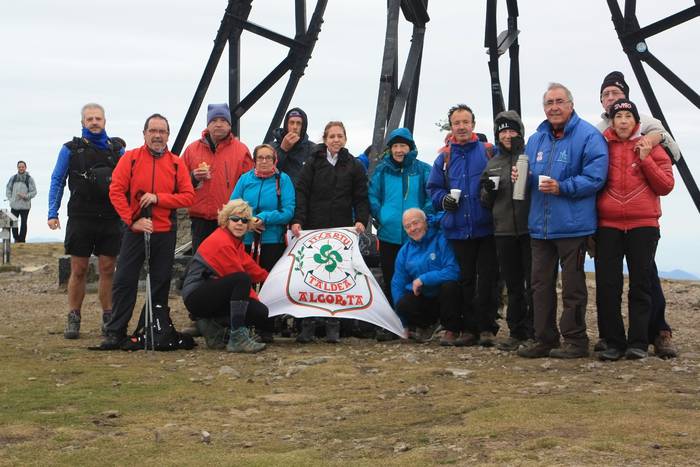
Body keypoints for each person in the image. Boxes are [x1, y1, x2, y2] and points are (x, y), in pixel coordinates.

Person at [515, 83, 608, 359]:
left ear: (571, 104)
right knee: (540, 286)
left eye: (559, 101)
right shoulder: (536, 139)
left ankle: (576, 341)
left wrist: (562, 187)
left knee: (573, 287)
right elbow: (530, 176)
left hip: (574, 227)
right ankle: (544, 338)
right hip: (540, 227)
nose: (554, 107)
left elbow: (595, 177)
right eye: (549, 103)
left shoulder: (589, 136)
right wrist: (521, 178)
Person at [596, 71, 679, 358]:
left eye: (616, 94)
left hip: (643, 223)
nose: (621, 118)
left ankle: (641, 341)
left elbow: (666, 183)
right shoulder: (598, 140)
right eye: (605, 95)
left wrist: (645, 158)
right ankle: (612, 341)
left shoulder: (650, 134)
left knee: (642, 283)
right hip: (608, 224)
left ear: (634, 118)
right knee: (608, 284)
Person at [96, 114, 195, 350]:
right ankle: (115, 331)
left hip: (165, 231)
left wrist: (159, 198)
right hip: (135, 230)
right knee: (124, 281)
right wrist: (132, 221)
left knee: (160, 284)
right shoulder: (130, 159)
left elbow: (188, 196)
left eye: (162, 131)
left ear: (168, 135)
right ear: (144, 134)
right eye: (153, 131)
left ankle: (153, 328)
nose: (158, 135)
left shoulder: (176, 163)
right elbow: (116, 191)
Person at [47, 103, 125, 339]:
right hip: (81, 216)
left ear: (104, 122)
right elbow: (57, 180)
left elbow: (128, 183)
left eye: (98, 118)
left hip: (111, 218)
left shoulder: (117, 150)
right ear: (82, 123)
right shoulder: (70, 149)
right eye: (89, 119)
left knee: (107, 269)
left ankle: (108, 317)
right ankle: (74, 315)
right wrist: (53, 212)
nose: (94, 122)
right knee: (79, 269)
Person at [426, 104, 499, 347]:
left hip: (486, 226)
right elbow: (433, 189)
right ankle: (469, 329)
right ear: (451, 126)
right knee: (465, 281)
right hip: (457, 229)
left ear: (473, 124)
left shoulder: (489, 151)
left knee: (488, 279)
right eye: (456, 123)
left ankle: (487, 327)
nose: (461, 127)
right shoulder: (444, 157)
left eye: (465, 122)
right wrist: (443, 200)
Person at [290, 121, 370, 343]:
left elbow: (361, 197)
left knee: (335, 278)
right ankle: (307, 324)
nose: (336, 140)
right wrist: (298, 220)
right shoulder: (313, 163)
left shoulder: (354, 165)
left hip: (340, 229)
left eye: (340, 136)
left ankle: (333, 325)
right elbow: (302, 192)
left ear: (345, 139)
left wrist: (361, 220)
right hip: (313, 228)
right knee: (311, 277)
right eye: (332, 136)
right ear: (325, 139)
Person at [181, 199, 271, 353]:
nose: (240, 223)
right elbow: (240, 277)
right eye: (235, 219)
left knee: (260, 312)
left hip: (210, 294)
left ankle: (210, 325)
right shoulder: (222, 242)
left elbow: (252, 268)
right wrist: (256, 299)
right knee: (242, 280)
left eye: (244, 220)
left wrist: (273, 280)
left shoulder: (235, 242)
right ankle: (237, 337)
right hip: (196, 295)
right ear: (225, 220)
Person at [479, 111, 534, 351]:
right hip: (503, 231)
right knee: (513, 286)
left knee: (534, 285)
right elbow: (485, 201)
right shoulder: (492, 163)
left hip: (530, 229)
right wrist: (488, 192)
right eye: (503, 131)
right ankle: (516, 332)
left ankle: (535, 332)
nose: (508, 135)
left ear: (520, 132)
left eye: (512, 130)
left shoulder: (530, 157)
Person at [230, 144, 295, 341]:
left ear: (275, 160)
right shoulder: (245, 179)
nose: (264, 161)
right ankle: (245, 324)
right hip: (247, 240)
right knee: (246, 283)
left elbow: (289, 211)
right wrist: (249, 221)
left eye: (268, 157)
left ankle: (267, 327)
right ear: (255, 160)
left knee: (269, 283)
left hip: (272, 241)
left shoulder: (283, 180)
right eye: (260, 158)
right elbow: (233, 206)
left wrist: (265, 218)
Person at [369, 128, 432, 307]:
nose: (398, 150)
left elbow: (430, 196)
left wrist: (423, 218)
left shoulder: (423, 169)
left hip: (415, 235)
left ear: (410, 147)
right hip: (389, 234)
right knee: (391, 278)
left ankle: (416, 321)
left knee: (416, 277)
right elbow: (373, 196)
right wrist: (382, 216)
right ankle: (393, 321)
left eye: (402, 146)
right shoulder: (382, 170)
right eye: (395, 146)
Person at [181, 103, 253, 253]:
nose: (218, 124)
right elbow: (178, 181)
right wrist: (193, 177)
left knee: (227, 264)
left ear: (229, 125)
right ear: (208, 124)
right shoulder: (191, 149)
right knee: (200, 263)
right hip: (200, 219)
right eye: (214, 121)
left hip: (231, 219)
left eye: (223, 121)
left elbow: (250, 185)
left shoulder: (241, 150)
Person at [391, 208, 461, 342]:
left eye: (415, 223)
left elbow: (454, 271)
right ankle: (426, 326)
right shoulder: (405, 251)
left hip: (443, 295)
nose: (412, 228)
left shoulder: (442, 240)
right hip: (425, 297)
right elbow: (397, 284)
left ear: (425, 222)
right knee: (402, 303)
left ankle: (451, 329)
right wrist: (403, 324)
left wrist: (424, 279)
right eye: (407, 226)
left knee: (450, 286)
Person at [271, 107, 317, 185]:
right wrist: (282, 150)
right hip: (279, 194)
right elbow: (267, 171)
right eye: (291, 123)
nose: (295, 127)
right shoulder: (272, 147)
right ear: (286, 125)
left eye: (298, 123)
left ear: (303, 127)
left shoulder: (313, 149)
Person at [6, 160, 37, 243]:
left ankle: (22, 240)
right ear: (17, 168)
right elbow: (8, 189)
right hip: (14, 205)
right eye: (19, 167)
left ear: (25, 168)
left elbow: (34, 192)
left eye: (22, 167)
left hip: (25, 206)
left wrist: (26, 196)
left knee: (24, 223)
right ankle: (16, 239)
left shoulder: (29, 179)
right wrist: (10, 199)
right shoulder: (13, 178)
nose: (21, 168)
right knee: (13, 223)